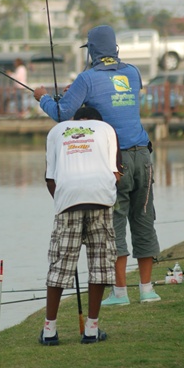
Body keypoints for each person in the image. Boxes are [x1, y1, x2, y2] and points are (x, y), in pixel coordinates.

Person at [34, 24, 161, 305]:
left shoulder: (86, 78)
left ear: (91, 51)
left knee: (114, 224)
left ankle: (120, 293)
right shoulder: (132, 73)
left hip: (116, 161)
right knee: (143, 219)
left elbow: (63, 113)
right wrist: (77, 91)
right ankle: (148, 290)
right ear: (115, 48)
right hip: (144, 157)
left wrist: (42, 97)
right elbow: (114, 100)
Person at [39, 106, 121, 346]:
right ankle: (92, 330)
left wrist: (64, 200)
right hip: (101, 198)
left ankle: (50, 331)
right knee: (100, 264)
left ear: (75, 120)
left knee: (60, 266)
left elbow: (50, 178)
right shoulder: (106, 129)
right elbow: (116, 174)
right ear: (97, 120)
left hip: (67, 199)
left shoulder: (56, 130)